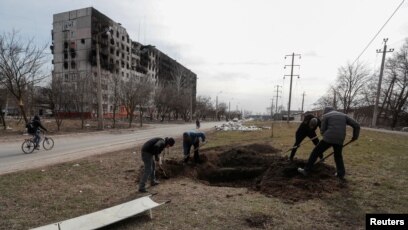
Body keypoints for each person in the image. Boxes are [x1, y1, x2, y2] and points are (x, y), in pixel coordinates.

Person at [298, 107, 360, 179]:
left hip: (328, 138)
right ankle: (341, 174)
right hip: (340, 139)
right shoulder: (344, 115)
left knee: (315, 152)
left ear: (325, 112)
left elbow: (322, 130)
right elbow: (357, 125)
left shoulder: (326, 116)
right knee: (338, 156)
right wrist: (355, 137)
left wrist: (326, 135)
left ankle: (306, 170)